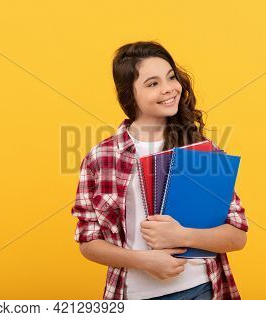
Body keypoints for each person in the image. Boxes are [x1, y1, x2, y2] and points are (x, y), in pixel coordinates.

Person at [71, 41, 249, 300]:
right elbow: (89, 242)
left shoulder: (201, 151)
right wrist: (144, 260)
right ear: (129, 95)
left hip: (202, 291)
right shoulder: (101, 157)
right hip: (135, 296)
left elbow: (237, 236)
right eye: (152, 83)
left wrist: (181, 235)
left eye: (171, 77)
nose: (168, 89)